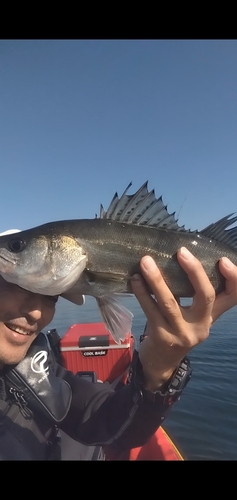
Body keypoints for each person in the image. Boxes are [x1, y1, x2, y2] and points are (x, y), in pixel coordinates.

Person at [0, 247, 237, 460]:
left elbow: (108, 423)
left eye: (50, 298)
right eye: (15, 286)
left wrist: (159, 368)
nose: (36, 314)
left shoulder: (33, 365)